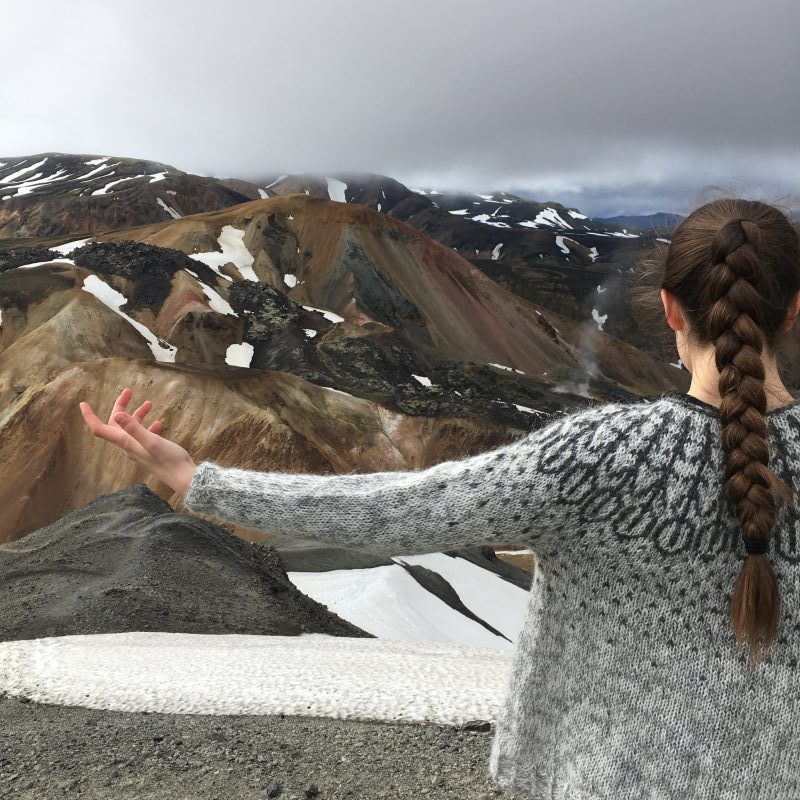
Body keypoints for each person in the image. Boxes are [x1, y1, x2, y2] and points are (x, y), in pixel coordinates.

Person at [79, 198, 800, 798]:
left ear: (670, 310)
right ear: (791, 312)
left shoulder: (596, 459)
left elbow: (393, 509)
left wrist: (196, 478)